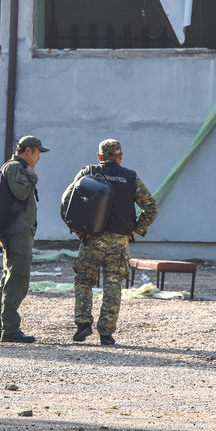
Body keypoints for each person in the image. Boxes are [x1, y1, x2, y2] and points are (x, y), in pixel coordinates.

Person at [60, 139, 158, 346]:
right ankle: (106, 333)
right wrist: (136, 231)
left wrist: (77, 230)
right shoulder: (131, 178)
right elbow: (151, 207)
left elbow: (66, 202)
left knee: (84, 281)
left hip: (91, 238)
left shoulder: (88, 172)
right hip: (119, 240)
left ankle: (83, 323)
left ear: (99, 156)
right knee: (113, 284)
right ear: (120, 157)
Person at [0, 135, 48, 344]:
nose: (38, 158)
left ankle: (1, 328)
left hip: (16, 231)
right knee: (18, 278)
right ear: (29, 150)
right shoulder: (16, 167)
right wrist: (32, 177)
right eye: (38, 153)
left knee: (9, 277)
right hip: (17, 232)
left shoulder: (14, 167)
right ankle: (10, 329)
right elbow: (22, 192)